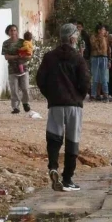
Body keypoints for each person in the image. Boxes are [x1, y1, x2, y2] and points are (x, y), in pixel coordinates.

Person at [37, 24, 89, 193]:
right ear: (73, 38)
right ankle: (67, 178)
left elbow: (40, 79)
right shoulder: (78, 58)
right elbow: (85, 82)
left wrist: (50, 96)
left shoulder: (49, 57)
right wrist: (79, 96)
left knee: (54, 137)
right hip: (74, 105)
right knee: (72, 140)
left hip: (56, 104)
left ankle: (53, 166)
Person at [2, 25, 32, 114]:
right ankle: (15, 107)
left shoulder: (23, 42)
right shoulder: (6, 43)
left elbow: (29, 54)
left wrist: (24, 57)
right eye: (11, 30)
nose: (13, 32)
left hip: (24, 68)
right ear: (8, 32)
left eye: (15, 30)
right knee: (14, 89)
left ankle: (26, 103)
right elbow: (6, 57)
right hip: (12, 69)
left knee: (25, 88)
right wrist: (16, 56)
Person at [90, 24, 110, 102]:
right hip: (95, 58)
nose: (104, 31)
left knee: (104, 77)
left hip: (104, 58)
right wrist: (101, 38)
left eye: (105, 30)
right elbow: (95, 46)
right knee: (95, 77)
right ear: (99, 30)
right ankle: (93, 95)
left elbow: (108, 49)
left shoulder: (106, 38)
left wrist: (109, 59)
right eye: (103, 29)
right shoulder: (93, 37)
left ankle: (105, 95)